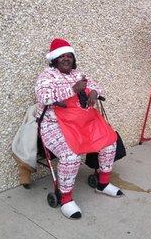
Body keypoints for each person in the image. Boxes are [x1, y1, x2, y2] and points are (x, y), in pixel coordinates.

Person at [35, 38, 123, 219]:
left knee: (109, 142)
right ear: (54, 59)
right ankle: (66, 199)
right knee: (71, 156)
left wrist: (93, 92)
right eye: (62, 56)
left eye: (69, 56)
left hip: (81, 122)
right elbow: (43, 97)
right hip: (54, 125)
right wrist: (73, 90)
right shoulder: (47, 76)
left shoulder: (78, 74)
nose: (66, 59)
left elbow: (96, 85)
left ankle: (103, 183)